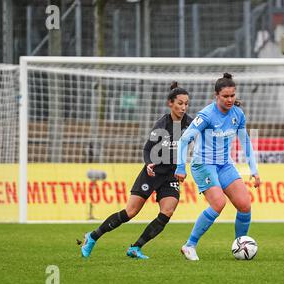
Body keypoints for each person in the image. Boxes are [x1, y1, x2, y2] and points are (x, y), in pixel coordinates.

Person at [77, 82, 193, 259]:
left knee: (167, 211)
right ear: (170, 103)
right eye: (180, 103)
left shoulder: (190, 124)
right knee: (130, 212)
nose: (183, 107)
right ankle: (92, 237)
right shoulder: (161, 125)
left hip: (170, 175)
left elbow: (205, 130)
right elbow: (147, 149)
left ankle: (135, 247)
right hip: (153, 173)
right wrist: (148, 164)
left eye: (186, 103)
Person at [175, 73, 261, 261]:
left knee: (245, 205)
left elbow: (246, 143)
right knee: (218, 203)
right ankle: (189, 245)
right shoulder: (206, 115)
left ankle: (241, 245)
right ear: (216, 96)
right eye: (226, 96)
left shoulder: (238, 114)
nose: (230, 100)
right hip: (203, 164)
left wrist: (254, 171)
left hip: (224, 164)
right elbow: (183, 140)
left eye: (232, 96)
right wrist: (180, 167)